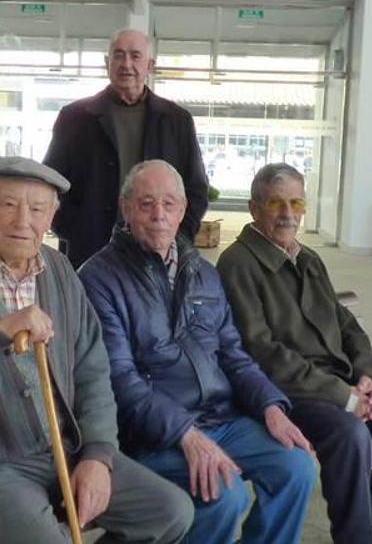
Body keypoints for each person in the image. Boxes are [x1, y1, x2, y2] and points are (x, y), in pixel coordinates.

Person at [0, 156, 194, 544]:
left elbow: (92, 372)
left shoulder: (60, 271)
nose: (22, 221)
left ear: (52, 218)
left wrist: (98, 455)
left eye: (37, 209)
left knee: (169, 512)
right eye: (8, 204)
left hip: (63, 454)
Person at [78, 160, 316, 544]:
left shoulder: (202, 271)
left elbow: (233, 354)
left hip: (221, 417)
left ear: (183, 210)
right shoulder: (99, 278)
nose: (159, 216)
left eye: (169, 204)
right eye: (146, 204)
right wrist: (185, 434)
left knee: (297, 467)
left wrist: (271, 405)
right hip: (153, 433)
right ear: (125, 209)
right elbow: (119, 380)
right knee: (223, 494)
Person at [217, 163, 372, 544]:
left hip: (340, 381)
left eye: (296, 202)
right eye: (276, 203)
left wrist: (366, 376)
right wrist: (346, 398)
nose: (288, 213)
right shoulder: (238, 263)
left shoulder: (307, 257)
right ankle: (356, 537)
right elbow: (261, 351)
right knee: (349, 431)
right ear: (255, 208)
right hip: (288, 393)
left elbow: (346, 324)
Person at [43, 29, 208, 268]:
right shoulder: (75, 118)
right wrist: (71, 229)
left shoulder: (176, 120)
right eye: (119, 55)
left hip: (158, 251)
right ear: (107, 63)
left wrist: (176, 237)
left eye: (135, 56)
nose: (126, 64)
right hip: (88, 249)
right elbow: (51, 183)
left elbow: (196, 189)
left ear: (150, 65)